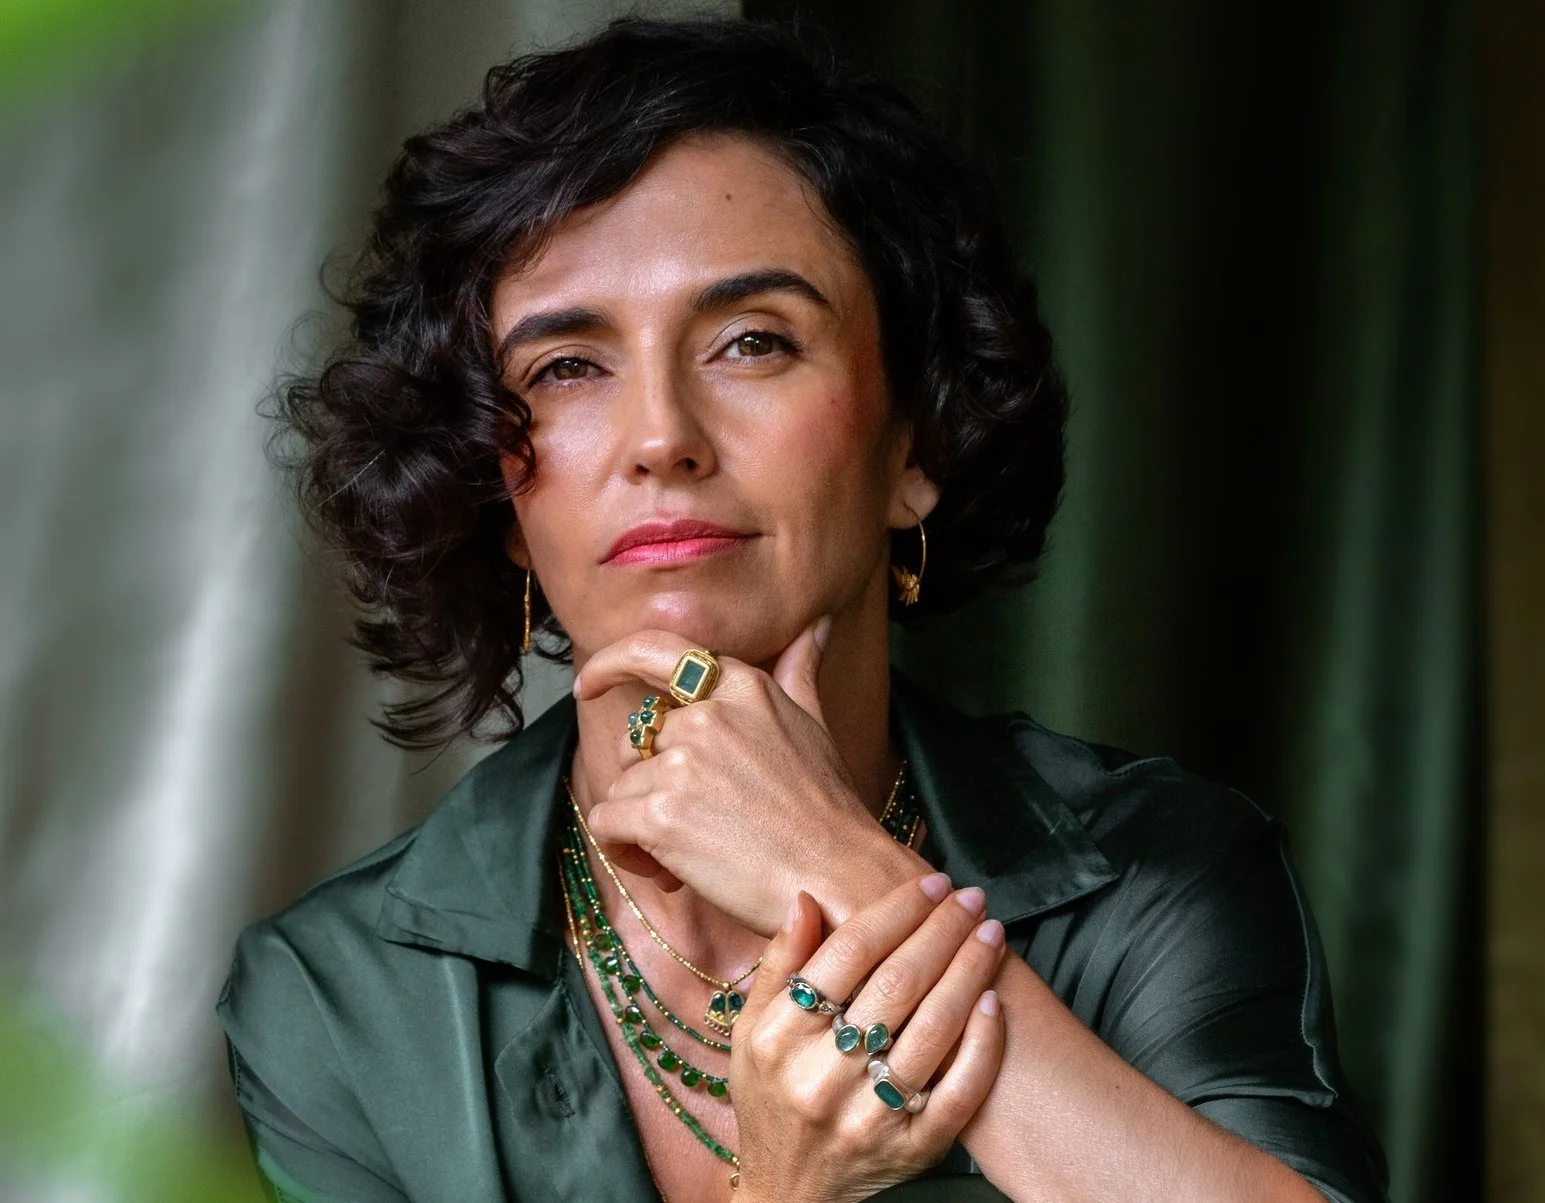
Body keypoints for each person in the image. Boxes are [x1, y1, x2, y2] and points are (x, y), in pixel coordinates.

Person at [217, 16, 1390, 1203]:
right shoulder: (335, 991)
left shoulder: (1156, 870)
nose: (663, 436)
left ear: (913, 443)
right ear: (500, 496)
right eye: (567, 366)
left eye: (752, 341)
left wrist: (834, 865)